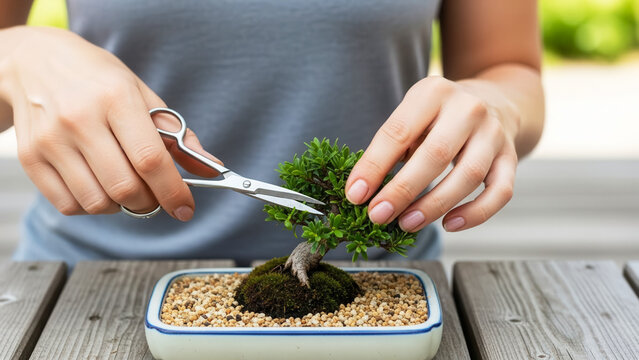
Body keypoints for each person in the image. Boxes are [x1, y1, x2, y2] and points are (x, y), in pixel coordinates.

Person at [0, 0, 544, 266]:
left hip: (376, 286)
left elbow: (510, 68)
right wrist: (18, 53)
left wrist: (496, 104)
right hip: (84, 286)